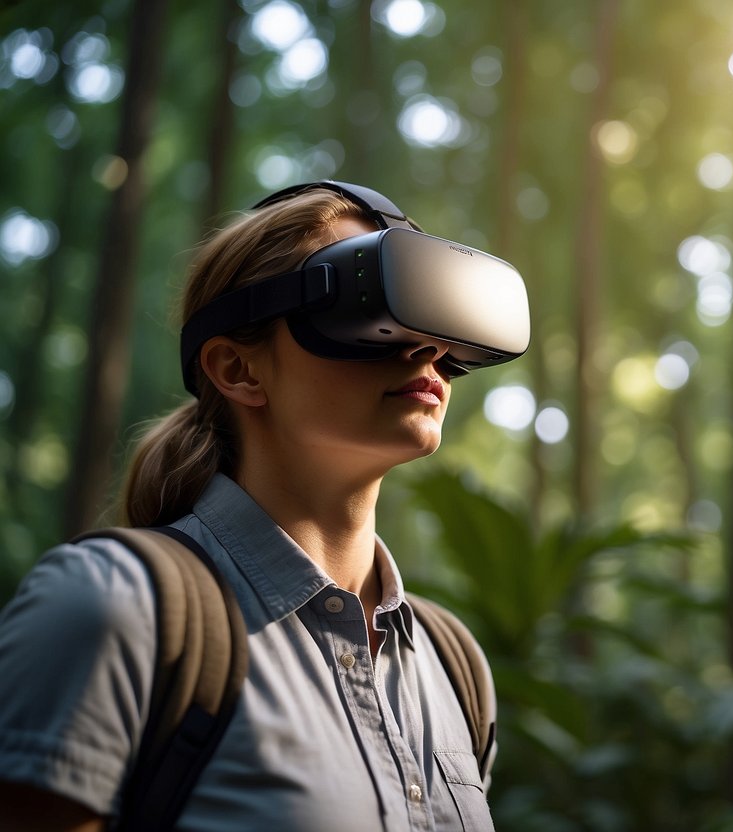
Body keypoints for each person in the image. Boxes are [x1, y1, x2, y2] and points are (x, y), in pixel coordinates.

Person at [0, 181, 520, 831]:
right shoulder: (110, 607)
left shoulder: (454, 665)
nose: (425, 350)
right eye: (363, 306)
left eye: (429, 315)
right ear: (239, 369)